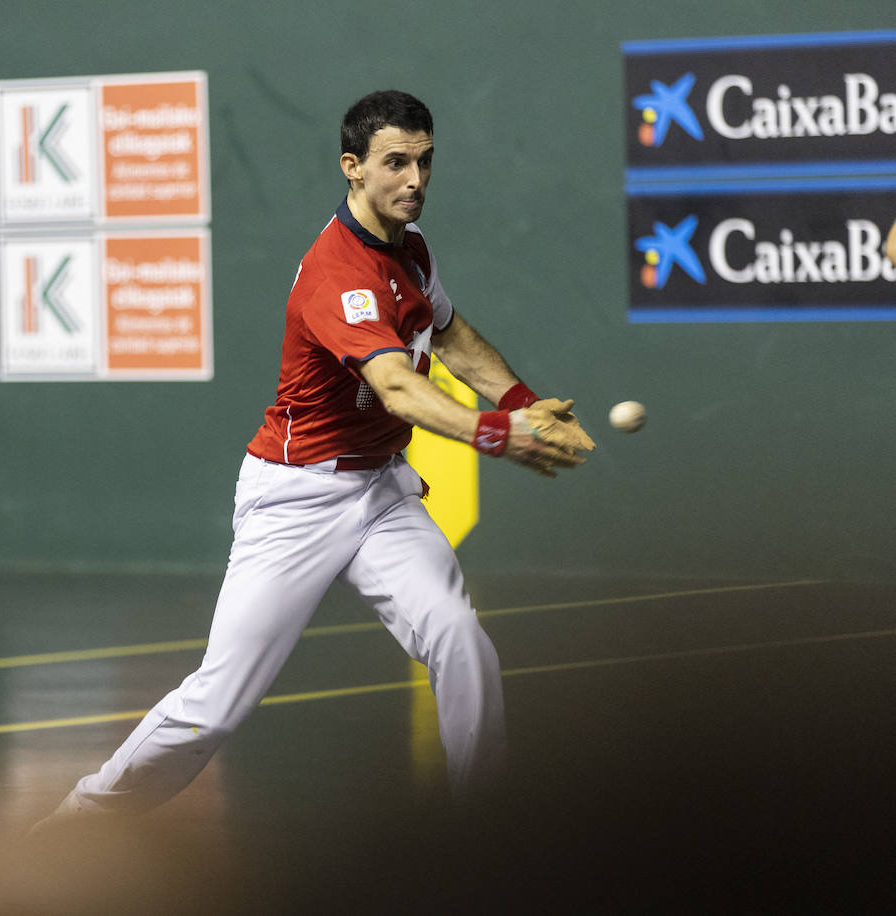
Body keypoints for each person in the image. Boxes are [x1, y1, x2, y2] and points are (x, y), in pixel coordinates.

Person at [34, 89, 594, 831]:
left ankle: (483, 836)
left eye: (425, 162)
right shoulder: (339, 274)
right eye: (396, 163)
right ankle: (71, 829)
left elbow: (452, 337)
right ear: (352, 168)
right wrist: (499, 433)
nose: (415, 180)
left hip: (381, 495)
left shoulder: (410, 249)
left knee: (461, 640)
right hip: (294, 501)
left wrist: (522, 399)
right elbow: (395, 386)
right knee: (216, 705)